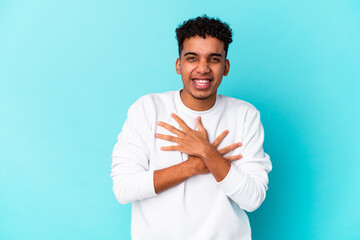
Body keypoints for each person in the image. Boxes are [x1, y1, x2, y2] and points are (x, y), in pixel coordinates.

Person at [111, 15, 272, 240]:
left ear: (225, 66)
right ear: (179, 65)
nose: (203, 68)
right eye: (192, 58)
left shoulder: (245, 115)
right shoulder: (148, 109)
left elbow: (253, 199)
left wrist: (208, 153)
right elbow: (124, 188)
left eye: (214, 59)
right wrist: (193, 166)